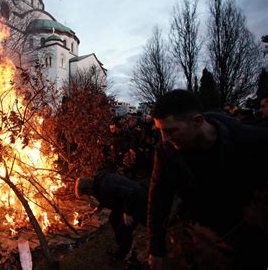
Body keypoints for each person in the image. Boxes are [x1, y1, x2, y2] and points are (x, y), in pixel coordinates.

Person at [147, 89, 268, 269]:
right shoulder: (166, 152)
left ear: (197, 121)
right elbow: (158, 199)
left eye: (170, 131)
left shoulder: (250, 141)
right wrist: (156, 249)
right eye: (160, 131)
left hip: (245, 234)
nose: (165, 139)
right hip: (198, 234)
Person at [75, 171, 148, 259]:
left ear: (88, 190)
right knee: (113, 219)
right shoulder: (98, 184)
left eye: (86, 196)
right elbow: (106, 199)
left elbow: (130, 194)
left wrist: (127, 213)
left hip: (138, 199)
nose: (88, 198)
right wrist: (95, 210)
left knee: (124, 228)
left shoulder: (105, 186)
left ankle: (125, 253)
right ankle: (122, 249)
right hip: (126, 201)